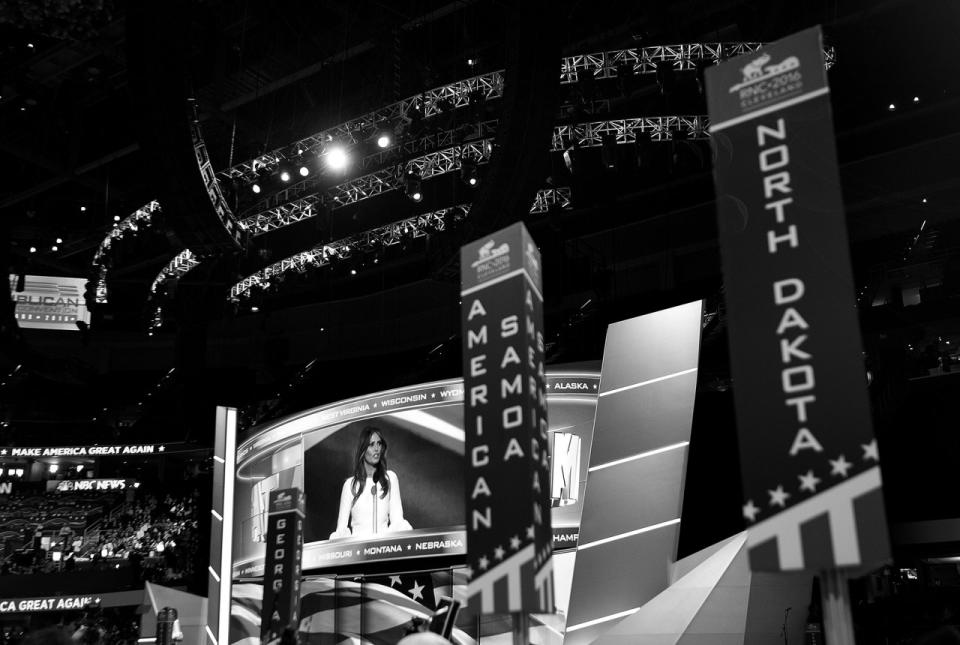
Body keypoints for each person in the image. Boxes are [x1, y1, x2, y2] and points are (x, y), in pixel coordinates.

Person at [330, 426, 411, 538]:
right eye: (371, 445)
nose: (377, 449)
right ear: (363, 449)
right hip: (358, 549)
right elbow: (341, 529)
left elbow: (397, 521)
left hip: (384, 549)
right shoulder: (350, 485)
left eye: (379, 444)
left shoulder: (390, 478)